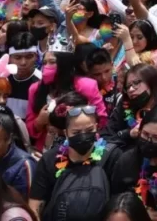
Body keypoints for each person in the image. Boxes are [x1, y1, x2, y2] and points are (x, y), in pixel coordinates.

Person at [28, 93, 113, 221]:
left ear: (97, 127)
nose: (83, 136)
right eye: (76, 132)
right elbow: (35, 206)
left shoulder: (111, 156)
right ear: (66, 133)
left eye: (89, 130)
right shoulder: (50, 159)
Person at [26, 40, 107, 151]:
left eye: (52, 62)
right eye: (44, 63)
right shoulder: (35, 89)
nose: (47, 67)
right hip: (45, 150)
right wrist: (39, 122)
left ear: (64, 64)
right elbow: (29, 128)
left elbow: (101, 120)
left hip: (80, 147)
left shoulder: (86, 86)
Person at [102, 63, 157, 151]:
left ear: (151, 82)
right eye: (128, 86)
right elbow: (106, 136)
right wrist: (129, 133)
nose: (131, 89)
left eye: (136, 83)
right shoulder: (125, 104)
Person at [6, 32, 42, 120]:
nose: (23, 63)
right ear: (9, 59)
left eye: (29, 57)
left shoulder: (42, 82)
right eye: (17, 58)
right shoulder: (3, 79)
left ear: (36, 57)